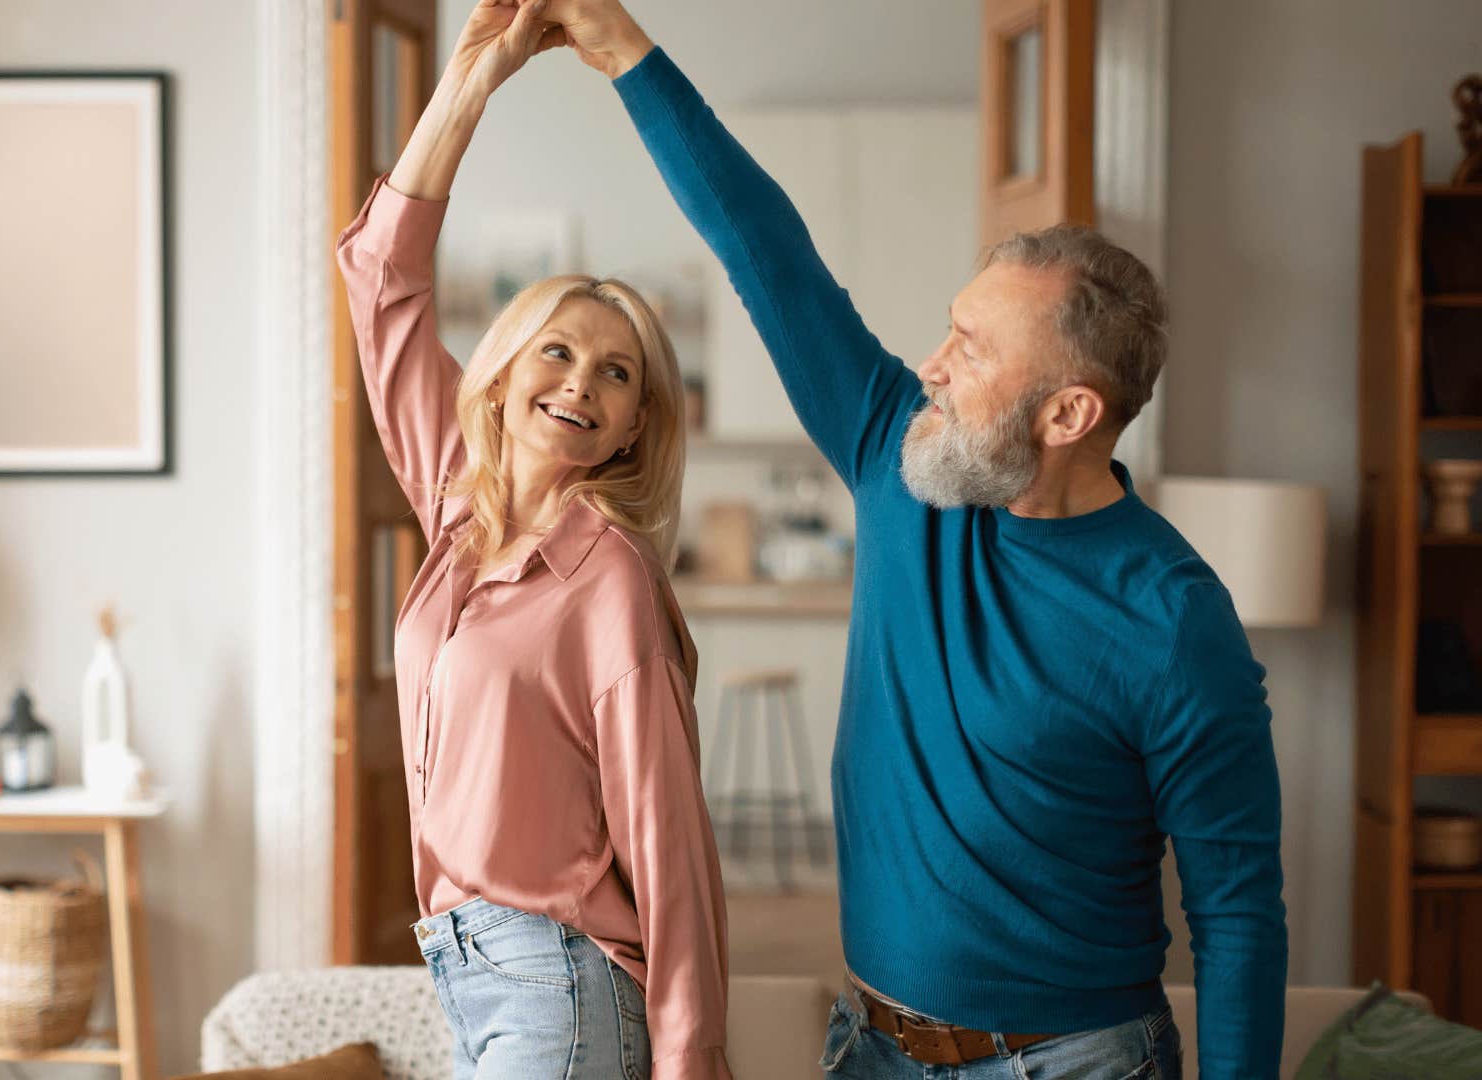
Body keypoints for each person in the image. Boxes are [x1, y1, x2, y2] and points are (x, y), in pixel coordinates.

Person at [525, 3, 1290, 1077]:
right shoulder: (902, 458)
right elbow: (766, 249)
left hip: (1074, 1062)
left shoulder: (1173, 619)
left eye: (972, 351)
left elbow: (1239, 913)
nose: (930, 362)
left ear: (1068, 415)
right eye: (949, 325)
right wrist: (620, 49)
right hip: (869, 1048)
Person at [334, 2, 735, 1076]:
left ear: (638, 423)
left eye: (618, 375)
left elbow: (669, 834)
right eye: (558, 352)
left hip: (562, 976)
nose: (581, 384)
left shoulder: (609, 578)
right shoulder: (459, 510)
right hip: (468, 978)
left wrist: (691, 1054)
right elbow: (381, 282)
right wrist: (473, 75)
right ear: (503, 377)